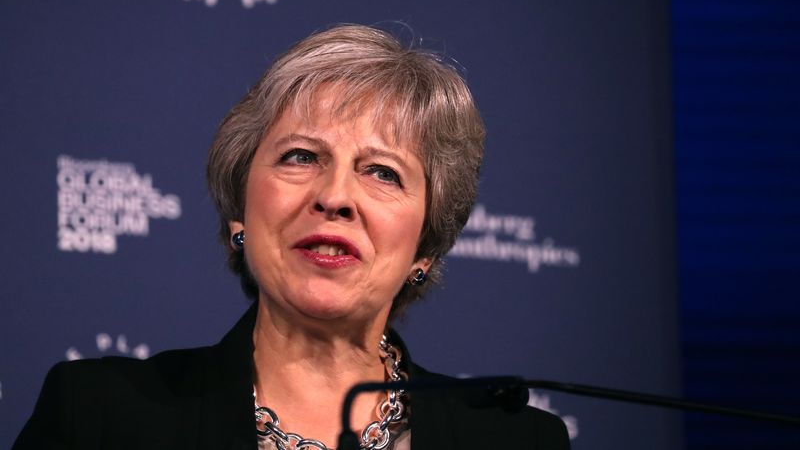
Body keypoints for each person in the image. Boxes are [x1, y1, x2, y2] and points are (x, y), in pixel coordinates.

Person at [14, 25, 569, 449]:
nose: (335, 196)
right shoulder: (98, 417)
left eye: (382, 172)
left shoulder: (516, 440)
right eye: (301, 157)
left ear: (426, 245)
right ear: (239, 212)